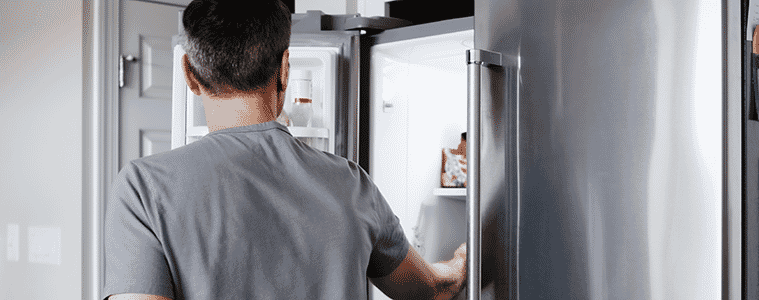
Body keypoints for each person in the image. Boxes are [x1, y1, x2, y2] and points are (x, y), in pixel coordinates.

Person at [103, 0, 466, 299]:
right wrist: (463, 261)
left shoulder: (144, 189)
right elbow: (430, 289)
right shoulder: (351, 183)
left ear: (189, 73)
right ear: (285, 70)